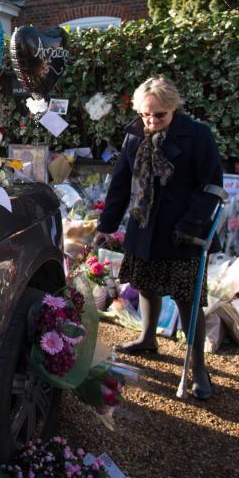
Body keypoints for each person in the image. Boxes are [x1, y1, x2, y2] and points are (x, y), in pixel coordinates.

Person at [94, 76, 223, 400]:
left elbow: (211, 186)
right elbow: (121, 184)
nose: (151, 121)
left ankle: (198, 367)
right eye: (145, 115)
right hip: (145, 224)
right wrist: (106, 226)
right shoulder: (135, 135)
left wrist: (192, 226)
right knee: (147, 284)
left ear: (173, 108)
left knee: (187, 298)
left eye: (159, 115)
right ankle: (148, 338)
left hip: (184, 230)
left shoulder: (197, 135)